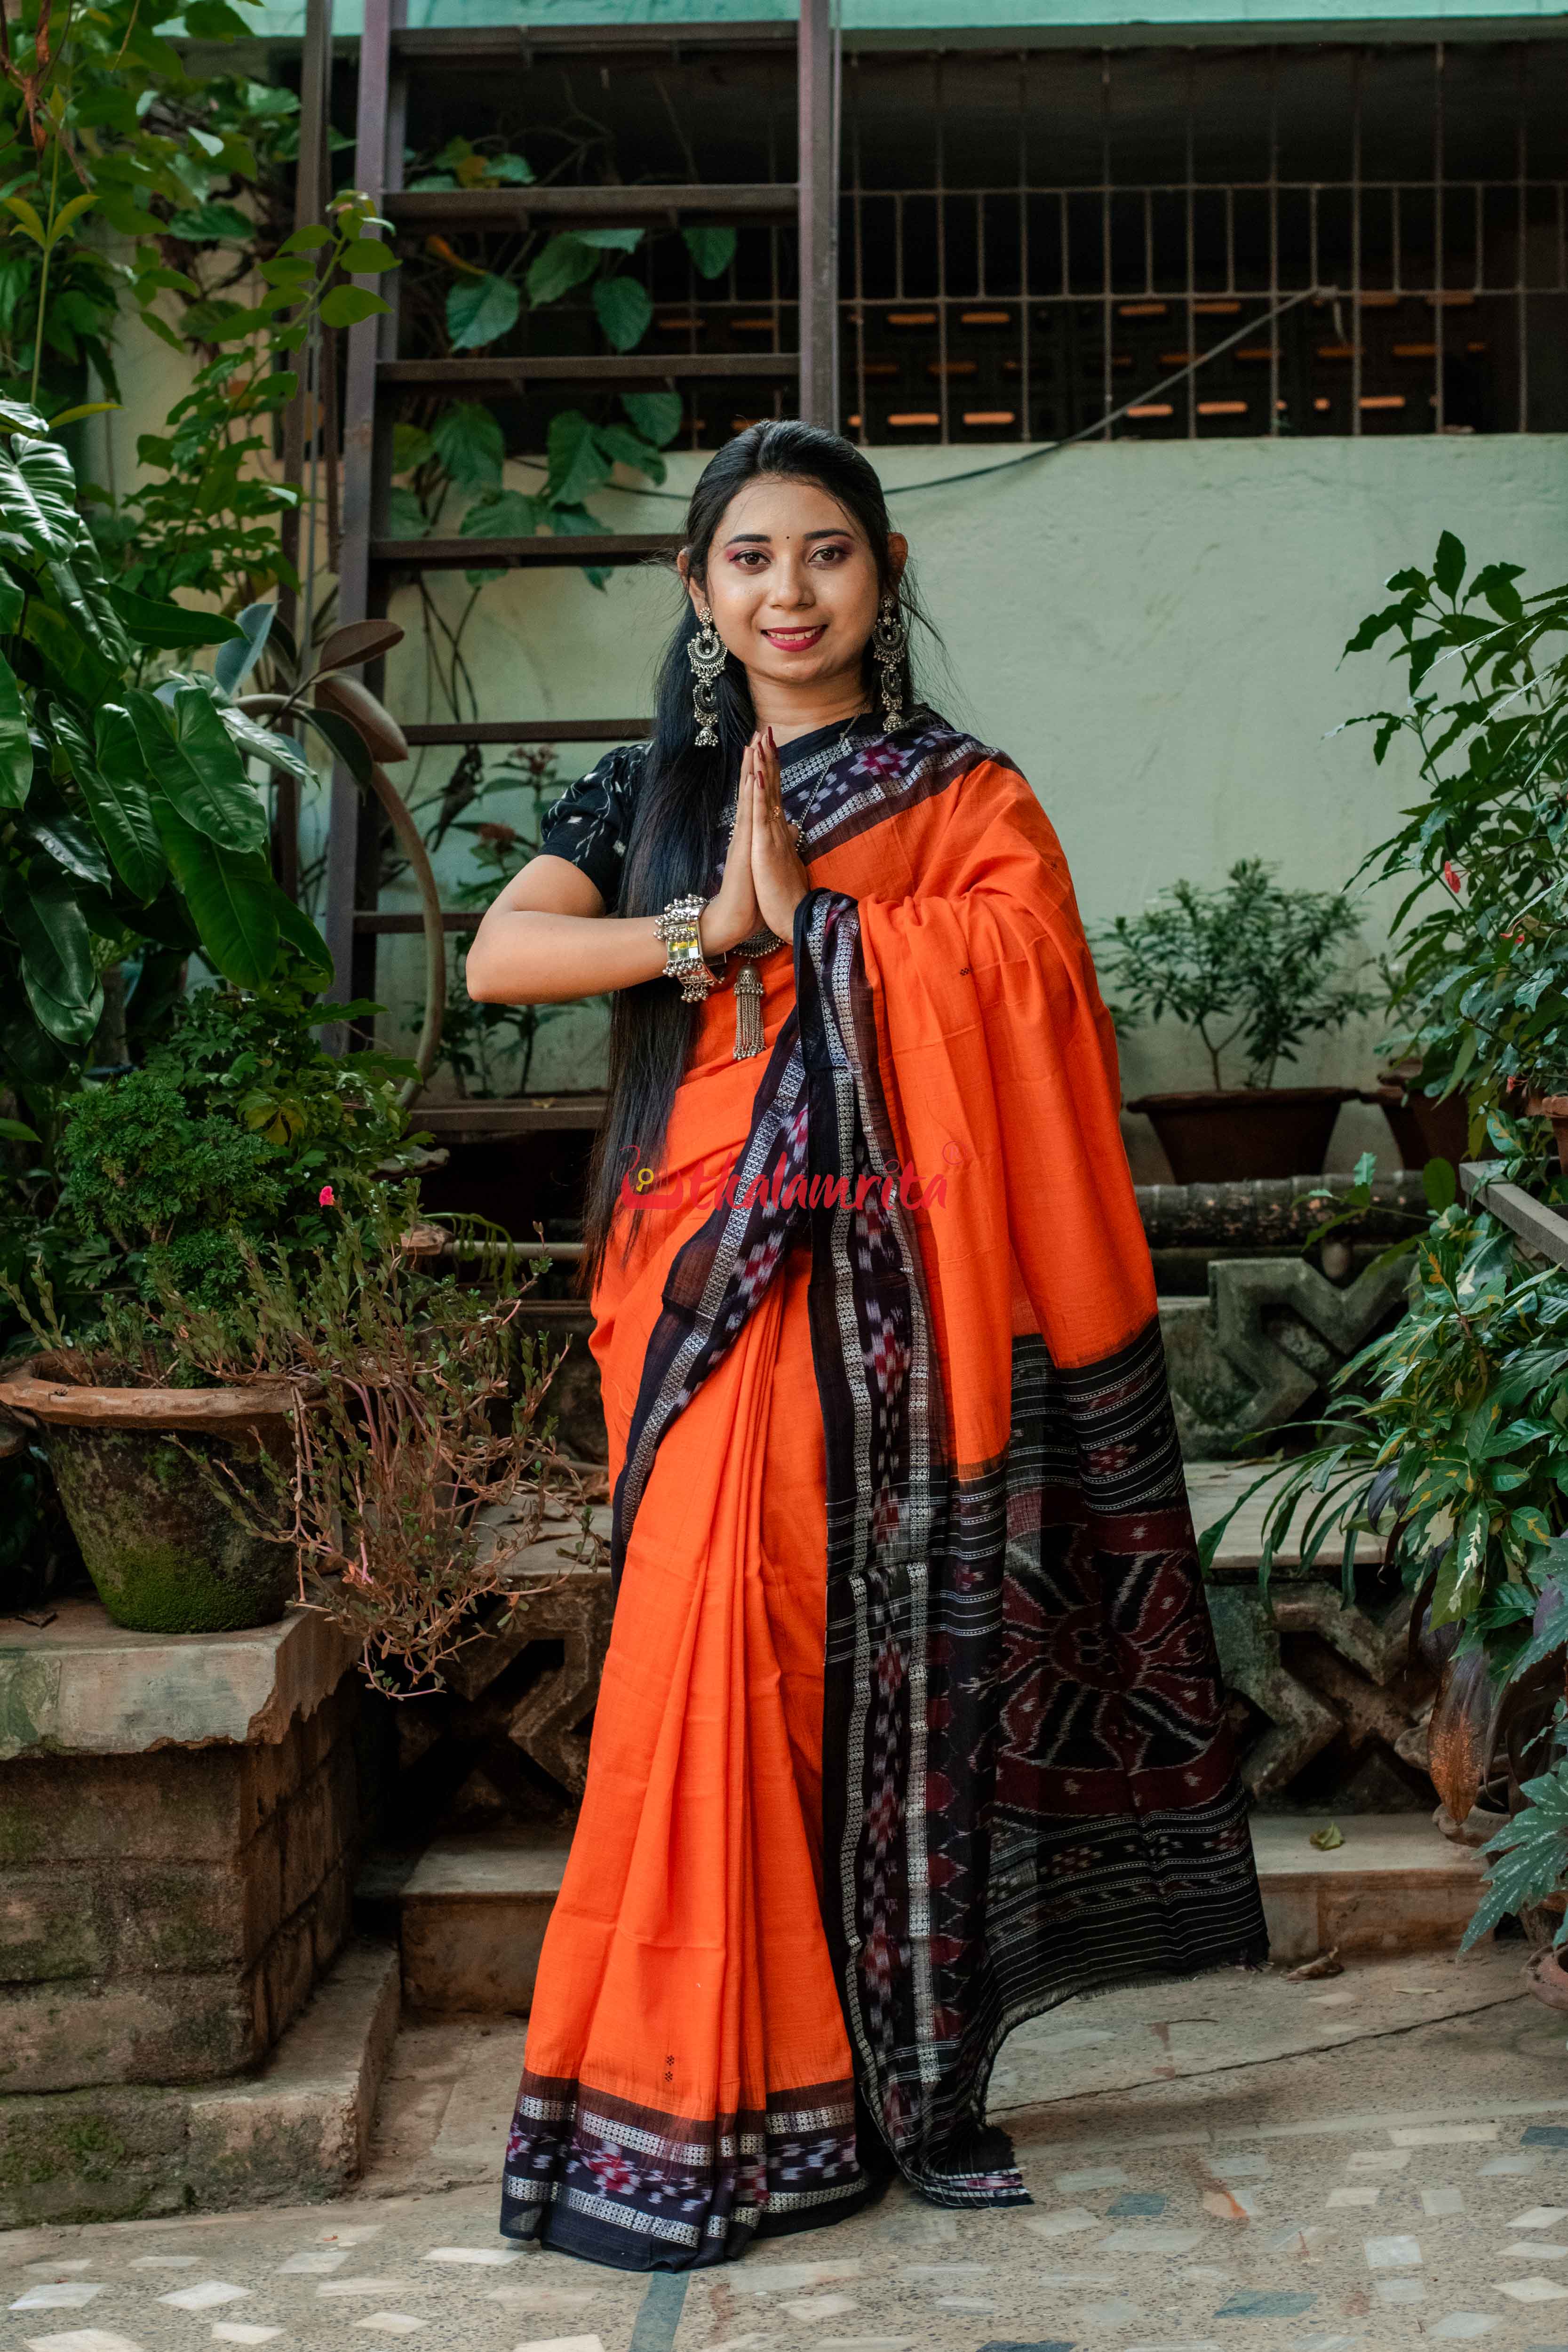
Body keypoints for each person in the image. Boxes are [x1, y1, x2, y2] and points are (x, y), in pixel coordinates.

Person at [465, 419, 1267, 2273]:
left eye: (826, 552)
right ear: (699, 591)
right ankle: (686, 2089)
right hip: (697, 1279)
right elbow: (507, 954)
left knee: (882, 1678)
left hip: (898, 1290)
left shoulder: (961, 792)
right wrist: (718, 920)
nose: (789, 589)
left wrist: (832, 925)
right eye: (749, 557)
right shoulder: (653, 791)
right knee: (704, 1650)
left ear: (885, 577)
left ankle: (904, 2083)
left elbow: (1038, 986)